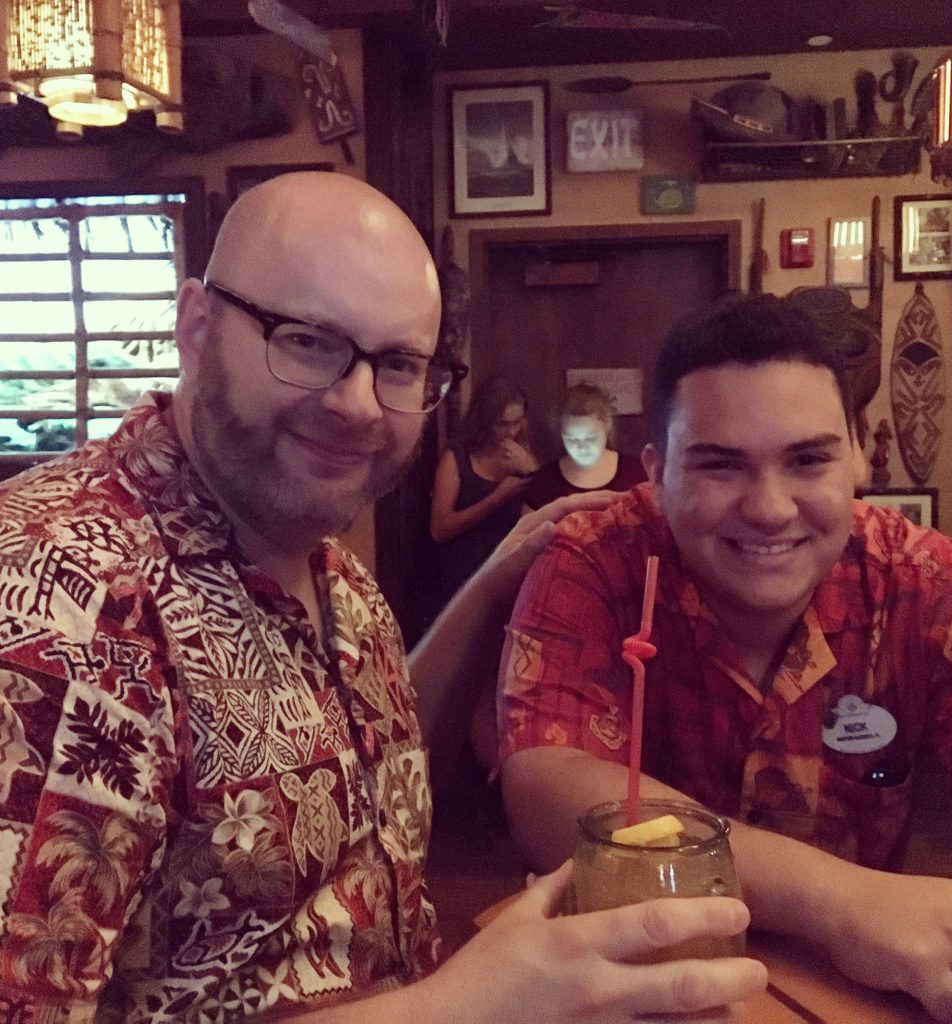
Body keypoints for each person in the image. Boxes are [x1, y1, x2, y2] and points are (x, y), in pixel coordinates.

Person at [0, 173, 766, 1024]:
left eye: (399, 364)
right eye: (308, 341)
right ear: (195, 325)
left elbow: (354, 781)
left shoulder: (333, 570)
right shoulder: (58, 602)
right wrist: (463, 1008)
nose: (359, 404)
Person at [499, 292, 952, 1024]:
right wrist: (840, 900)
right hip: (633, 995)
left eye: (808, 459)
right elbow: (542, 788)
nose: (771, 508)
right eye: (720, 466)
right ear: (655, 470)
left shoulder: (932, 588)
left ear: (860, 455)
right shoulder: (598, 559)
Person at [429, 375, 538, 613]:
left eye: (517, 422)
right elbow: (439, 530)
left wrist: (533, 471)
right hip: (462, 582)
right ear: (485, 422)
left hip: (508, 581)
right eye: (502, 424)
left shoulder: (522, 454)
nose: (511, 432)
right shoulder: (457, 459)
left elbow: (540, 515)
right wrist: (496, 498)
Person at [520, 380, 647, 511]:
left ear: (607, 425)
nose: (582, 447)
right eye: (572, 439)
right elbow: (527, 529)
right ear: (561, 434)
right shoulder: (543, 482)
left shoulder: (637, 472)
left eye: (591, 438)